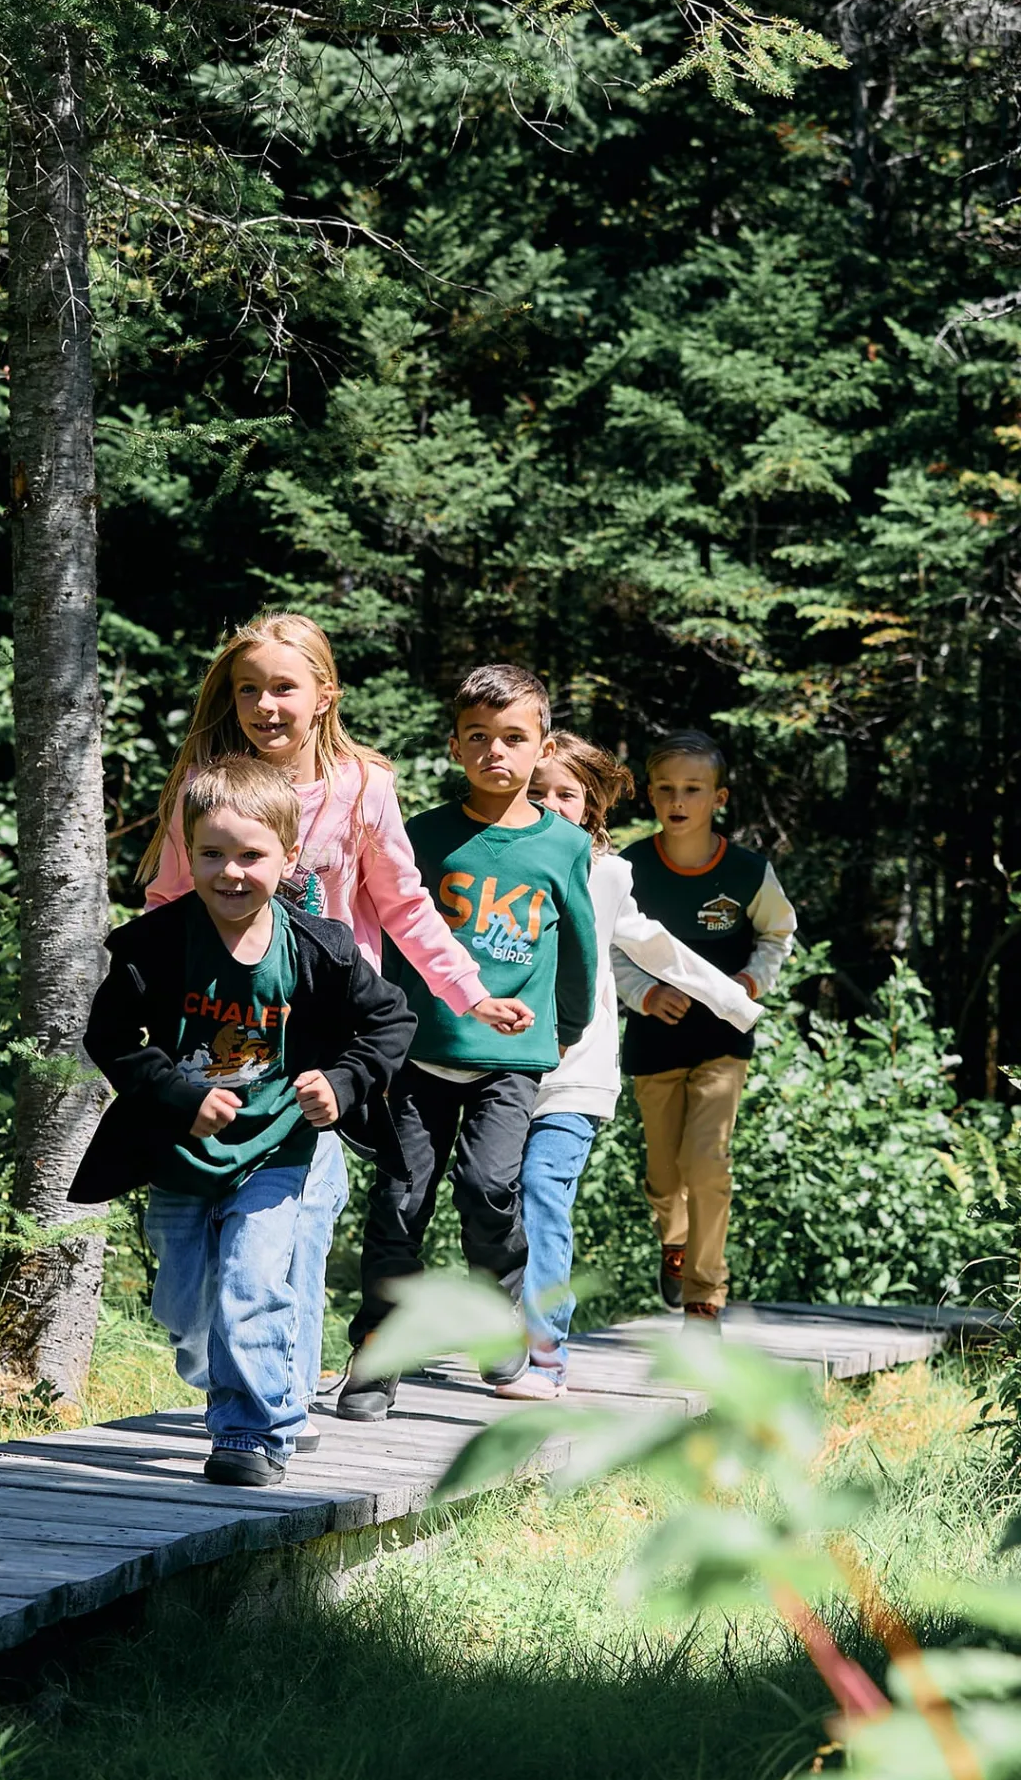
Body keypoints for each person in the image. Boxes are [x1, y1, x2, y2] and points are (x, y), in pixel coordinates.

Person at [141, 612, 531, 1445]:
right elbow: (167, 902)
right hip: (221, 1034)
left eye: (283, 687)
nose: (265, 705)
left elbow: (405, 906)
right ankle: (220, 1358)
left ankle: (280, 1397)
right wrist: (145, 1009)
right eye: (248, 689)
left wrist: (468, 992)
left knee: (303, 1222)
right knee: (188, 1268)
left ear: (325, 695)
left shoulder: (361, 789)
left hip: (321, 1042)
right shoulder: (207, 786)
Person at [75, 755, 413, 1487]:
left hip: (276, 1150)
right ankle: (230, 1372)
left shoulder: (319, 948)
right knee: (187, 1311)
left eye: (251, 856)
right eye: (212, 854)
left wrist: (343, 1083)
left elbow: (390, 1021)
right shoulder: (155, 946)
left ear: (289, 858)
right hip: (182, 1156)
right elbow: (111, 1038)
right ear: (188, 854)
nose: (230, 872)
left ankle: (251, 1434)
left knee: (252, 1288)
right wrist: (178, 1096)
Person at [339, 663, 596, 1419]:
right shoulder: (422, 835)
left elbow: (579, 947)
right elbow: (393, 933)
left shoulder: (564, 844)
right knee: (399, 1204)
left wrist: (564, 1028)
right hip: (420, 1054)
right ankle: (378, 1353)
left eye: (514, 738)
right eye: (478, 737)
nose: (495, 752)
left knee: (488, 1190)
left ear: (542, 747)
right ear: (454, 746)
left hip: (510, 1061)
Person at [502, 733, 763, 1399]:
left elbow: (656, 946)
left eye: (567, 794)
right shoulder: (493, 862)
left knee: (543, 1194)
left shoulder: (608, 875)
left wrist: (734, 1000)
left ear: (591, 807)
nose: (551, 805)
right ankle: (504, 1330)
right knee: (491, 1202)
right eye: (538, 792)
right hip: (497, 1069)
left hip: (576, 1075)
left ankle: (545, 1354)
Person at [615, 730, 798, 1329]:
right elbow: (608, 944)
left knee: (708, 1164)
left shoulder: (747, 872)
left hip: (723, 1041)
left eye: (693, 789)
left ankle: (705, 1294)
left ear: (718, 798)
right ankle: (674, 1242)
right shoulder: (629, 868)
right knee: (664, 1176)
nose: (678, 800)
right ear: (649, 794)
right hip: (654, 1039)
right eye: (666, 788)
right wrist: (644, 992)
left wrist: (750, 981)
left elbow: (778, 933)